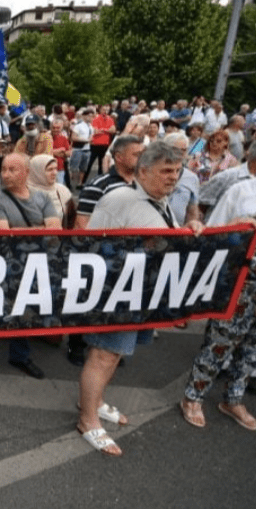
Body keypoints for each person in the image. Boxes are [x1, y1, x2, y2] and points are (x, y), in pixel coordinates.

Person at [78, 141, 203, 456]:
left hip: (139, 295)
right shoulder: (122, 199)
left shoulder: (158, 201)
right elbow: (92, 245)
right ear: (143, 171)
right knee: (104, 355)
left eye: (176, 170)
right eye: (165, 171)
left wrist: (187, 228)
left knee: (115, 355)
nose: (173, 177)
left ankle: (94, 402)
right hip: (116, 295)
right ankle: (88, 420)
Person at [180, 173, 256, 432]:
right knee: (217, 349)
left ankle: (233, 400)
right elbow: (226, 256)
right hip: (237, 299)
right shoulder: (247, 225)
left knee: (252, 354)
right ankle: (192, 398)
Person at [0, 153, 59, 386]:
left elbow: (56, 230)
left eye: (12, 169)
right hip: (1, 268)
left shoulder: (42, 198)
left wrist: (20, 230)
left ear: (26, 173)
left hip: (33, 267)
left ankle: (20, 356)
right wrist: (39, 228)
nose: (6, 174)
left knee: (24, 312)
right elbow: (5, 235)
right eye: (3, 169)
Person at [27, 154, 74, 228]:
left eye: (56, 168)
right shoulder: (25, 193)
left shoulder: (62, 190)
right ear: (36, 172)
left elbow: (72, 219)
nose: (55, 173)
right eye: (49, 169)